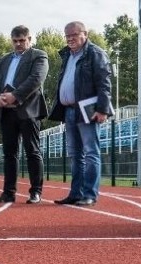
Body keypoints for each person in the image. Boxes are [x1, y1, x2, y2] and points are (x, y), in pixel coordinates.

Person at [48, 21, 113, 207]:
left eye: (74, 35)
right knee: (75, 154)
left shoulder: (95, 54)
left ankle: (90, 194)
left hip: (88, 110)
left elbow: (104, 83)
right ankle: (76, 193)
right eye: (67, 36)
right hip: (69, 111)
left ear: (85, 34)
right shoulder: (67, 55)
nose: (70, 39)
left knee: (91, 153)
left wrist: (102, 109)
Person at [0, 25, 49, 204]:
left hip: (28, 110)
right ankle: (8, 193)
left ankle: (35, 192)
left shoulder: (39, 55)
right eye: (15, 41)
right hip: (6, 112)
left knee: (32, 151)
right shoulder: (4, 59)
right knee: (9, 154)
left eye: (22, 40)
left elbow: (36, 79)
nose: (18, 44)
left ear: (30, 39)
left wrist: (15, 96)